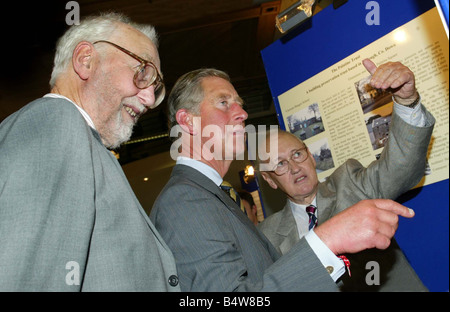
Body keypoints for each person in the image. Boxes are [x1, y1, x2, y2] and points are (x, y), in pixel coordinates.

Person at [150, 65, 416, 292]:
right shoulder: (185, 199)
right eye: (223, 102)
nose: (242, 113)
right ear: (188, 121)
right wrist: (327, 240)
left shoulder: (214, 196)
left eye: (240, 104)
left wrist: (406, 101)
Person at [0, 13, 180, 291]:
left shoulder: (80, 141)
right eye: (143, 72)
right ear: (86, 60)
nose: (148, 100)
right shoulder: (58, 122)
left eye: (155, 88)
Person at [258, 60, 435, 291]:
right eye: (280, 164)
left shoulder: (350, 182)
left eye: (297, 154)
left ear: (311, 156)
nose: (294, 167)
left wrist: (405, 100)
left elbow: (401, 168)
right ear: (270, 180)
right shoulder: (267, 235)